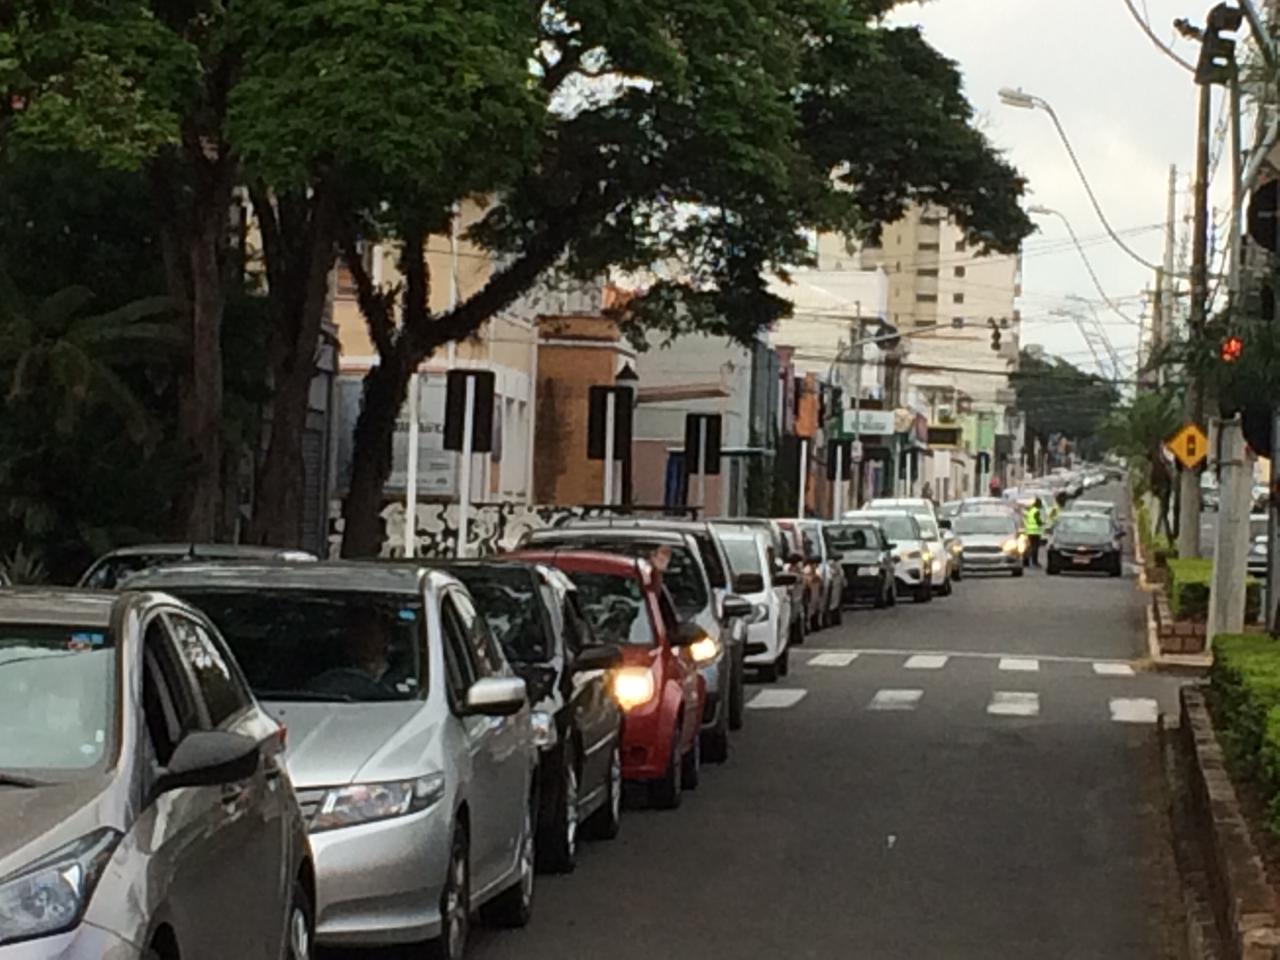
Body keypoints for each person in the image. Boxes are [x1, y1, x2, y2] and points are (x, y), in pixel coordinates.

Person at [1023, 497, 1045, 568]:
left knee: (1030, 547)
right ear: (1038, 504)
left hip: (1029, 531)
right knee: (1035, 547)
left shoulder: (1031, 510)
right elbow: (1038, 521)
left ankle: (1026, 561)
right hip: (1035, 531)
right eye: (1040, 503)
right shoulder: (1036, 511)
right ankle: (1034, 562)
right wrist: (1043, 524)